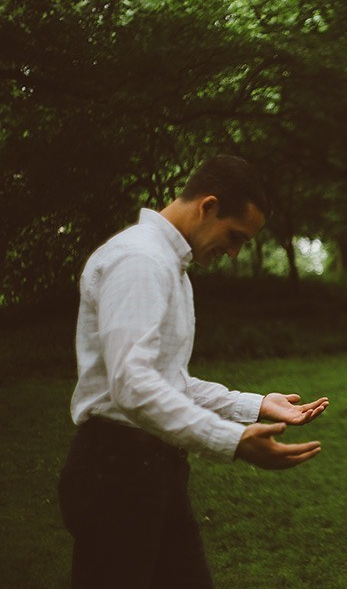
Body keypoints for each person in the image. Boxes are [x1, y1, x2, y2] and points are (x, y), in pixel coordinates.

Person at [58, 155, 330, 588]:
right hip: (116, 475)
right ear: (208, 206)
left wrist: (254, 405)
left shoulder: (168, 265)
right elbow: (131, 384)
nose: (235, 252)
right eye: (235, 235)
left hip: (151, 469)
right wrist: (232, 441)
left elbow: (168, 382)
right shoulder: (141, 260)